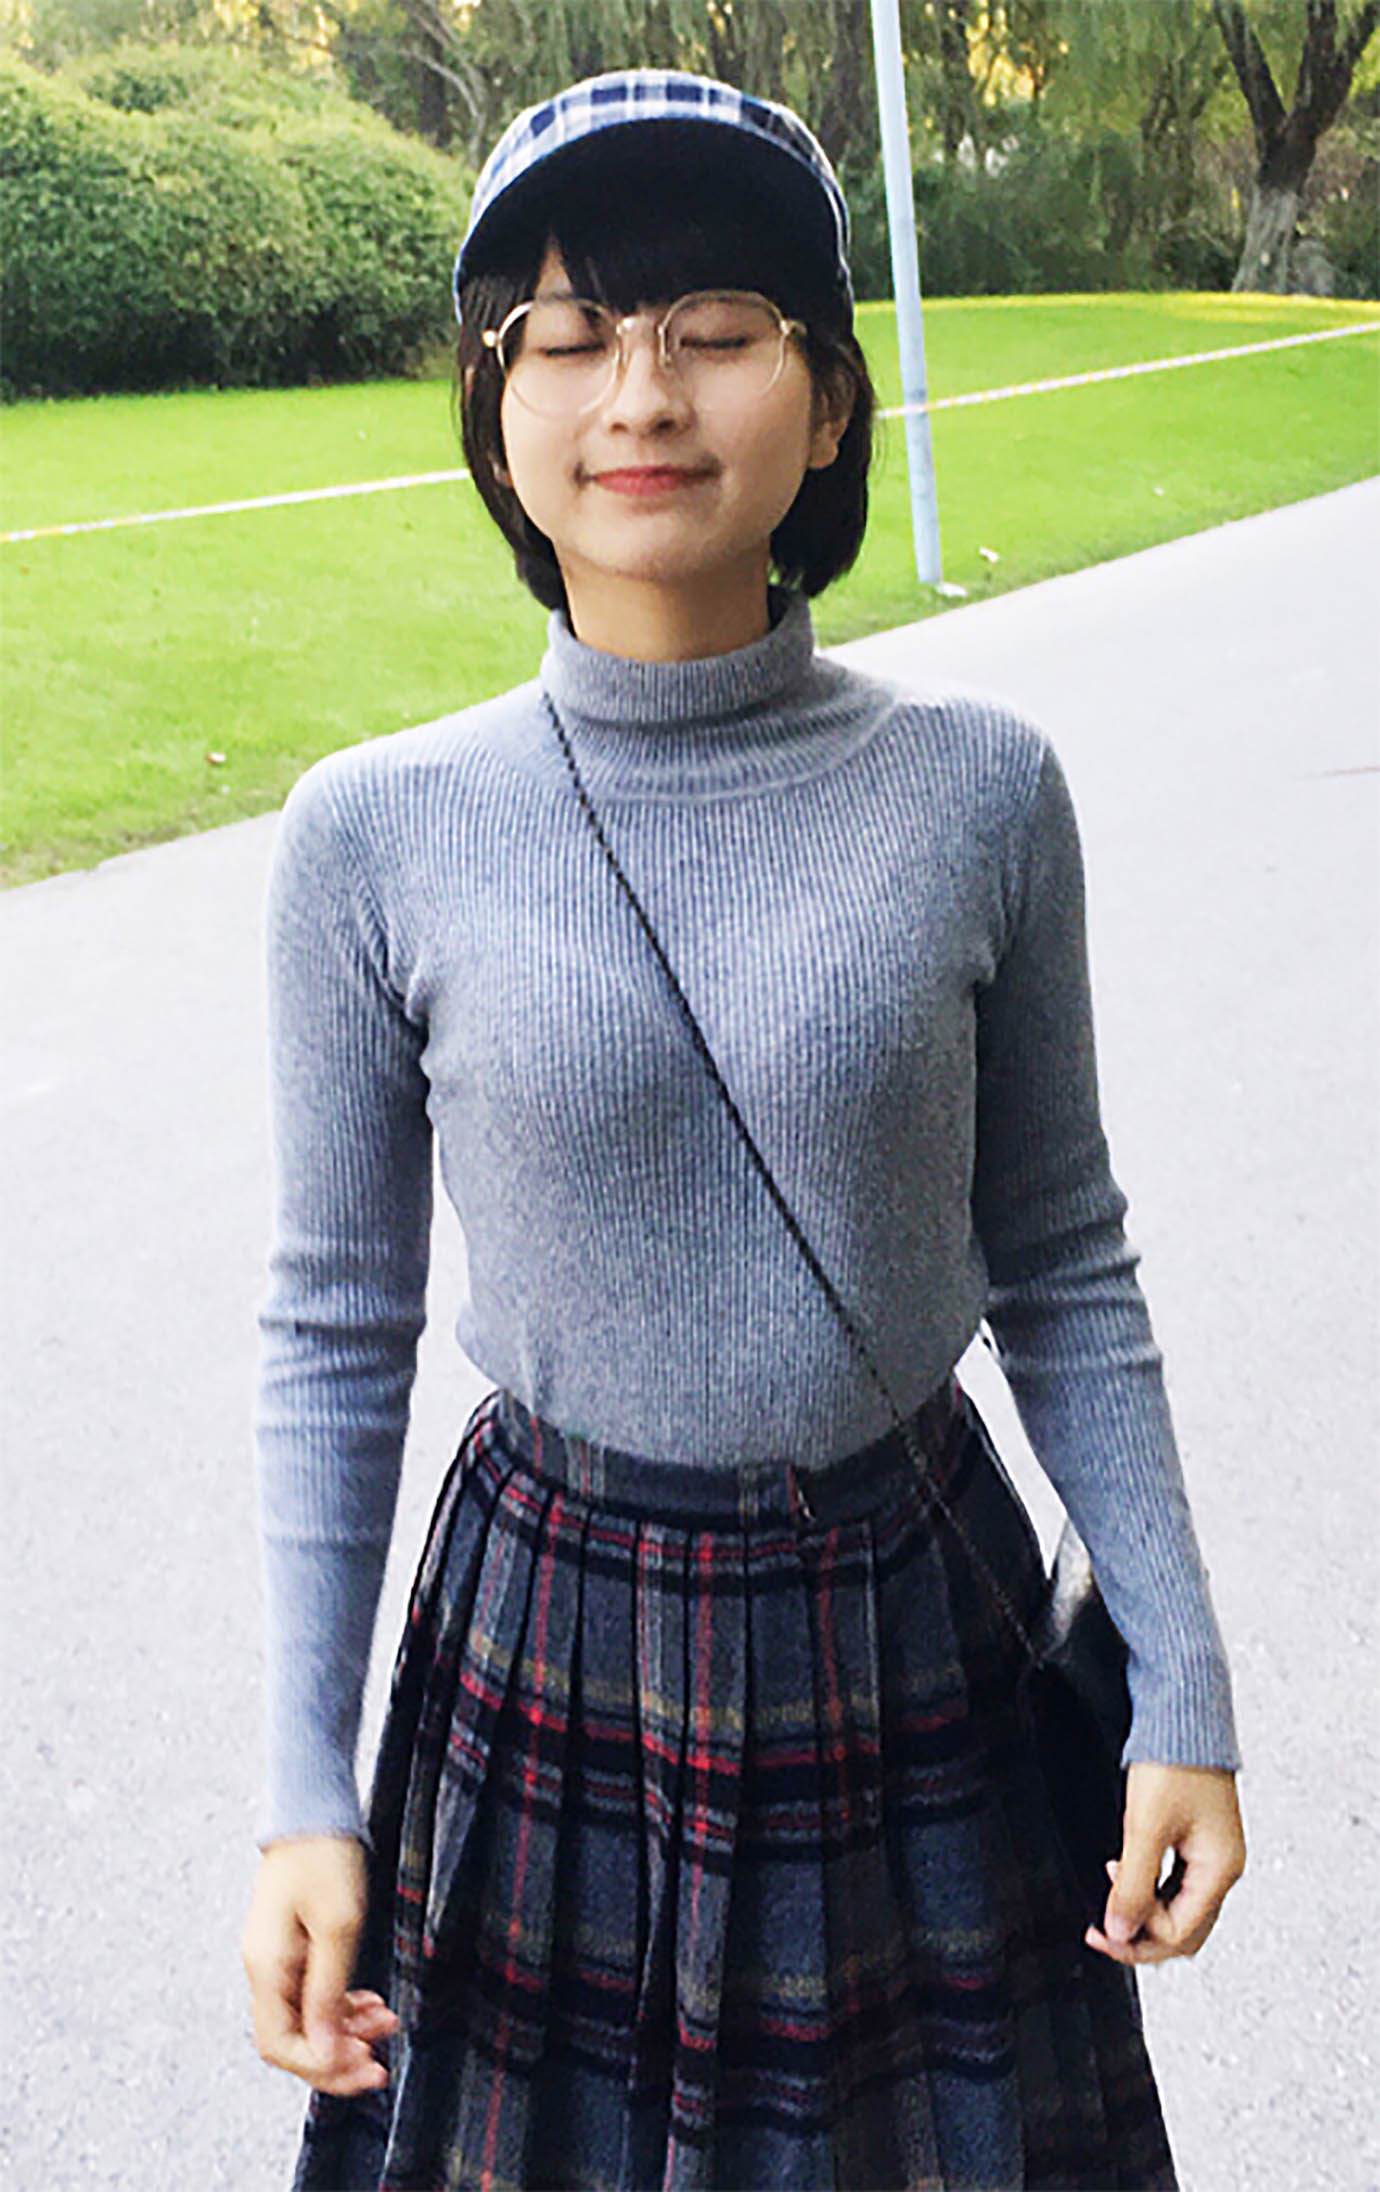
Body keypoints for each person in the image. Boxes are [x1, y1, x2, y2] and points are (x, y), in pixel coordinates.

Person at [240, 66, 1247, 2191]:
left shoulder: (983, 792)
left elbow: (1064, 1259)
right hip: (551, 1653)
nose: (642, 392)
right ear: (496, 413)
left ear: (832, 400)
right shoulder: (371, 836)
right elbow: (333, 1331)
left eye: (714, 326)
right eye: (570, 334)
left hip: (914, 1628)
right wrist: (302, 1789)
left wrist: (1183, 1676)